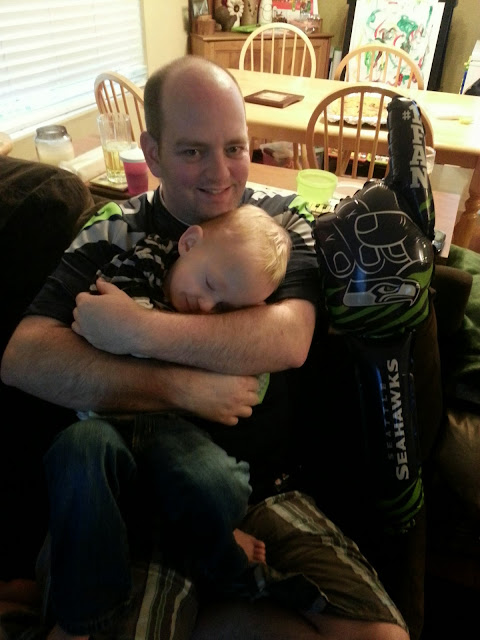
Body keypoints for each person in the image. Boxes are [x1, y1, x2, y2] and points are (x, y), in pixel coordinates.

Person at [1, 56, 409, 640]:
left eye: (235, 148)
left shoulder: (280, 222)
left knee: (383, 636)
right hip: (140, 505)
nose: (221, 174)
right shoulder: (114, 230)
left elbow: (289, 338)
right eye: (193, 151)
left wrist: (136, 331)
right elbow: (24, 358)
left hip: (262, 492)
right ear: (153, 151)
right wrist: (179, 387)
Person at [82, 203, 291, 568]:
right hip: (104, 417)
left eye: (225, 308)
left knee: (224, 484)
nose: (207, 306)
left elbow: (253, 381)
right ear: (189, 244)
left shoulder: (225, 302)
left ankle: (206, 533)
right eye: (209, 284)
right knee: (76, 458)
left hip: (171, 430)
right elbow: (102, 324)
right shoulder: (142, 263)